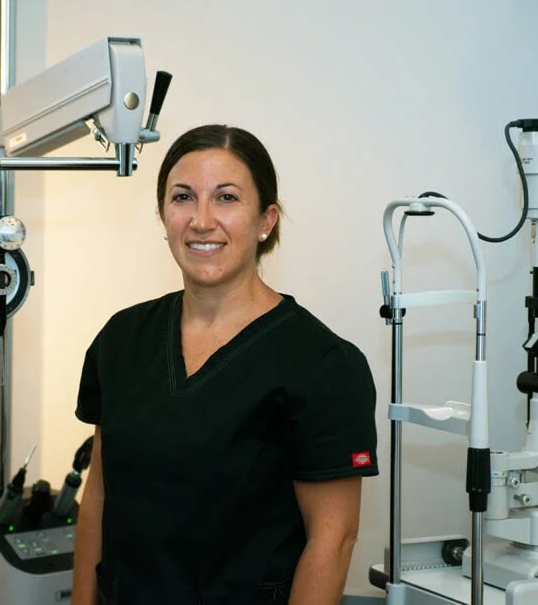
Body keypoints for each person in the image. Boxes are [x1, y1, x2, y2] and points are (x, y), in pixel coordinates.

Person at [73, 124, 378, 605]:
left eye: (227, 198)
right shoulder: (122, 339)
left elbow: (333, 541)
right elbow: (99, 496)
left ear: (266, 219)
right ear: (163, 215)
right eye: (182, 198)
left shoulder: (322, 365)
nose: (201, 219)